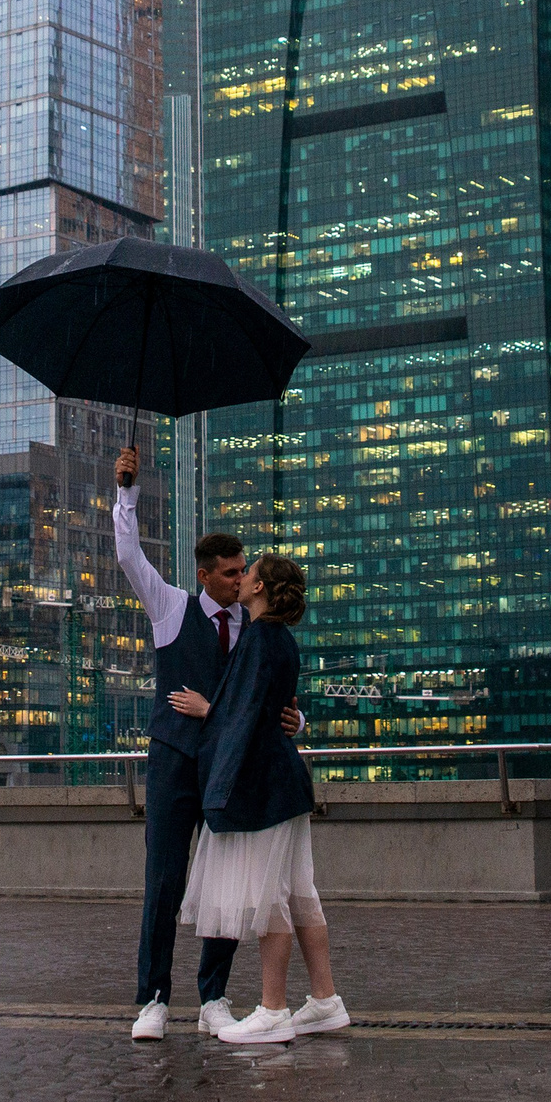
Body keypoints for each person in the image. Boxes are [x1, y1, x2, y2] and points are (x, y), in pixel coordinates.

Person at [113, 444, 298, 1042]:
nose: (241, 578)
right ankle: (154, 1000)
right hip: (172, 761)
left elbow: (270, 693)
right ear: (204, 575)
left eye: (244, 571)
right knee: (164, 879)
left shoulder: (255, 627)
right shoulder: (170, 607)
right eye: (231, 572)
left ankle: (213, 997)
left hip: (226, 768)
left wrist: (296, 721)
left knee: (226, 885)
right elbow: (128, 554)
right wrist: (126, 492)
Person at [169, 553, 350, 1044]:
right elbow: (267, 711)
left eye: (248, 573)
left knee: (272, 897)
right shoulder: (281, 639)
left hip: (262, 786)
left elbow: (241, 716)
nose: (242, 577)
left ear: (260, 588)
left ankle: (273, 1008)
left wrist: (207, 713)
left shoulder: (258, 639)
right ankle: (325, 1000)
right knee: (298, 892)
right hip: (284, 782)